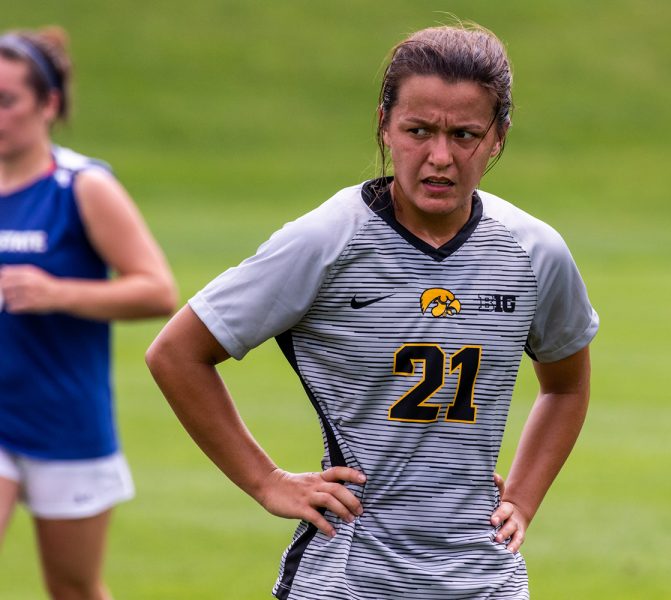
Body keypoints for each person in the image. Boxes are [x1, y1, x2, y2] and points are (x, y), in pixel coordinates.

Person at [146, 22, 597, 599]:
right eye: (418, 131)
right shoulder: (329, 240)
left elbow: (566, 386)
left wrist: (523, 499)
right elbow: (178, 353)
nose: (440, 157)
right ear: (384, 126)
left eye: (465, 134)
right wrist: (266, 481)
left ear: (499, 136)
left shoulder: (533, 251)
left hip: (485, 580)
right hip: (349, 578)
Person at [0, 27, 177, 600]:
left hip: (65, 420)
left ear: (48, 104)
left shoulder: (81, 186)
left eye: (7, 101)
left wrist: (59, 293)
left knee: (73, 587)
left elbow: (157, 290)